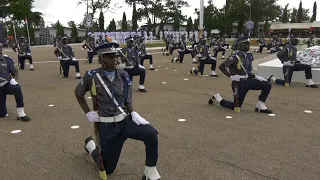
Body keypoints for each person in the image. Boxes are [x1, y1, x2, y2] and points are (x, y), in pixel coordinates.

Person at [74, 42, 160, 180]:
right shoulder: (91, 76)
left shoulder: (124, 74)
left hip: (124, 121)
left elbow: (127, 99)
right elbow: (78, 94)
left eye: (115, 56)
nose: (115, 59)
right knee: (108, 169)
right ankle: (91, 147)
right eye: (110, 57)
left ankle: (150, 171)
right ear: (101, 59)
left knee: (151, 133)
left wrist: (134, 113)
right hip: (107, 127)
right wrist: (88, 112)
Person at [208, 35, 273, 114]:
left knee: (267, 84)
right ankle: (218, 99)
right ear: (241, 45)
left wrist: (255, 76)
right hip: (239, 82)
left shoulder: (249, 55)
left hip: (248, 80)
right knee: (236, 106)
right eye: (247, 44)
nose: (249, 46)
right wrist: (231, 76)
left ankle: (260, 105)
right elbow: (221, 66)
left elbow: (247, 71)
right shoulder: (235, 56)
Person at [0, 42, 31, 121]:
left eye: (0, 47)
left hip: (5, 85)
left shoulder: (7, 60)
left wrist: (13, 79)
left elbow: (15, 73)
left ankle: (21, 113)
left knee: (17, 88)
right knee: (2, 114)